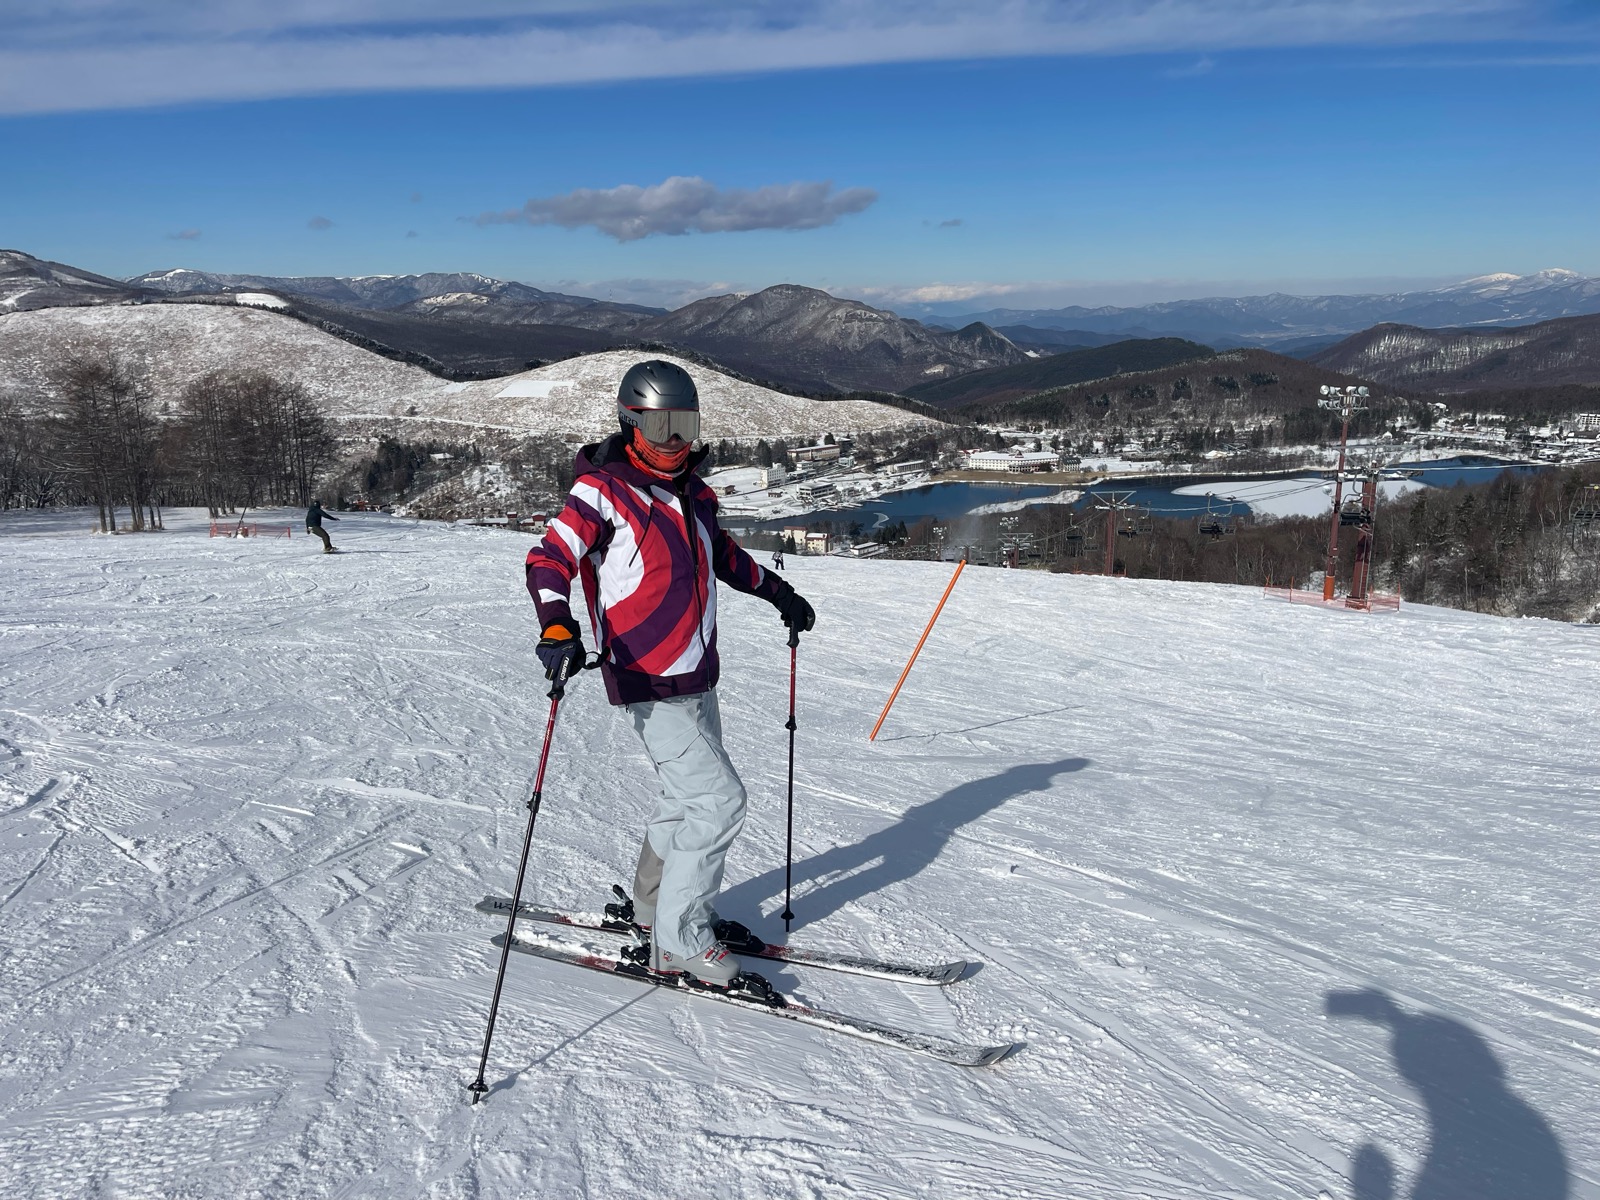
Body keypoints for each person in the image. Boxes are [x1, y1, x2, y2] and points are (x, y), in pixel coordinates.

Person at [525, 360, 815, 988]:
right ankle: (679, 942)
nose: (674, 441)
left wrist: (779, 593)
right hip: (646, 676)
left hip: (696, 675)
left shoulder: (696, 493)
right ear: (630, 422)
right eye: (659, 427)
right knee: (719, 802)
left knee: (684, 798)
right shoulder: (602, 491)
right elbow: (550, 558)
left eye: (684, 424)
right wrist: (556, 624)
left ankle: (654, 909)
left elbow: (725, 558)